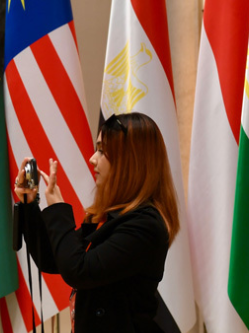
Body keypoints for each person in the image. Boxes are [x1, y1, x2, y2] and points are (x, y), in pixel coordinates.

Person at [14, 112, 180, 333]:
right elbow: (53, 259)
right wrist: (29, 205)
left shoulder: (145, 225)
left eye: (102, 150)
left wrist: (57, 207)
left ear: (129, 160)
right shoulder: (110, 217)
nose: (92, 159)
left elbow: (79, 271)